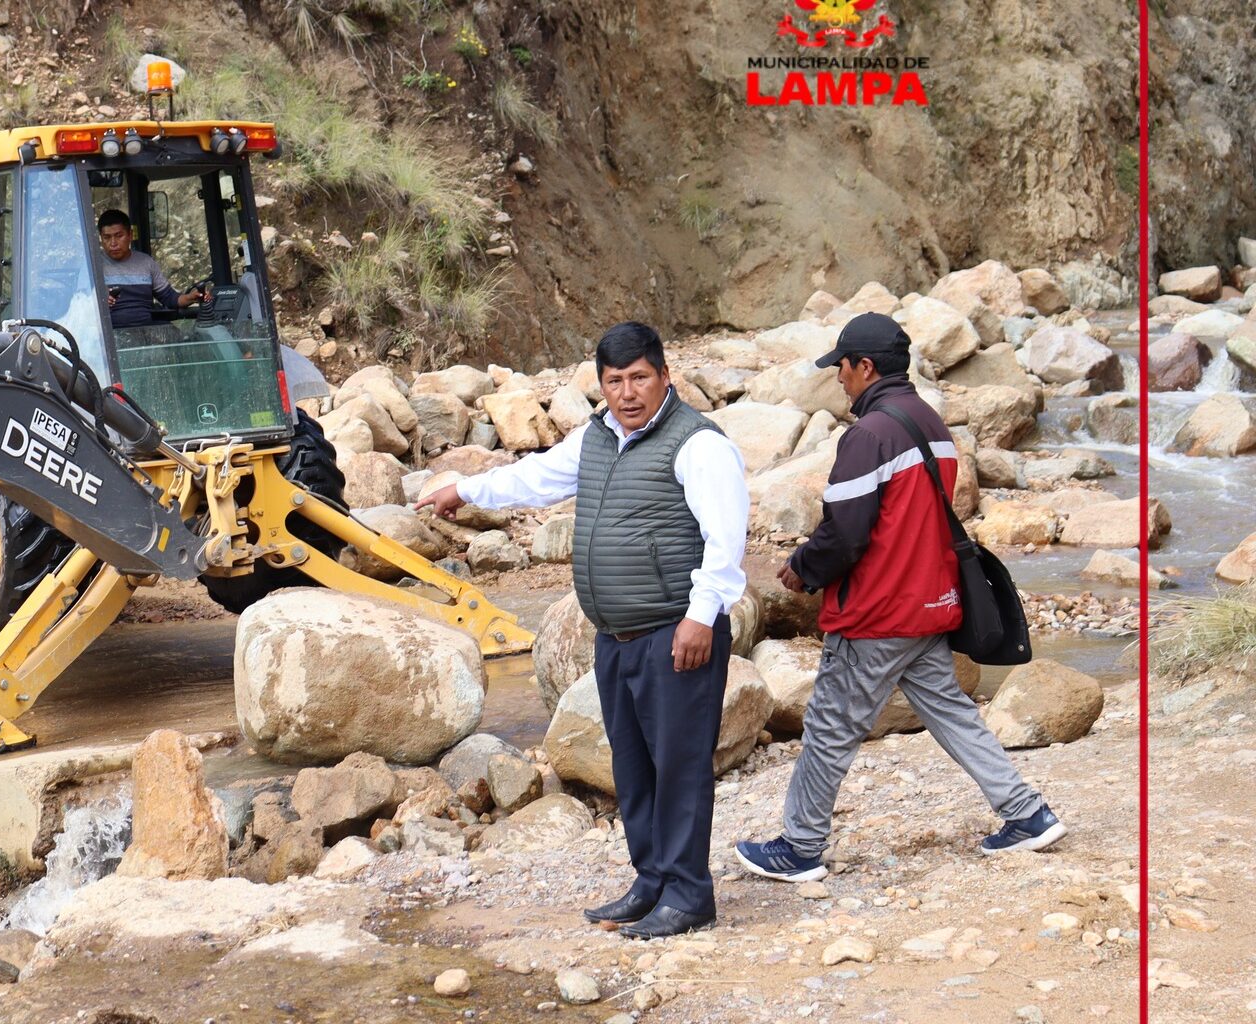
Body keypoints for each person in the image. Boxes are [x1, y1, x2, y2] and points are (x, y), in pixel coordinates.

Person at [417, 322, 749, 939]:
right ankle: (651, 882)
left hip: (676, 633)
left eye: (639, 378)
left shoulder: (699, 445)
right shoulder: (597, 438)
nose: (627, 393)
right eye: (614, 381)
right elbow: (535, 477)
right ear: (600, 385)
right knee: (634, 766)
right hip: (616, 638)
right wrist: (464, 488)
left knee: (679, 765)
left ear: (665, 376)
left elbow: (726, 541)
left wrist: (702, 617)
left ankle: (689, 894)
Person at [734, 312, 1066, 884]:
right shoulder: (929, 423)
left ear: (865, 366)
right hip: (929, 602)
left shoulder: (868, 436)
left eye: (841, 366)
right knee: (953, 713)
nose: (837, 378)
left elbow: (846, 533)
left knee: (830, 727)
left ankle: (801, 846)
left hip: (877, 614)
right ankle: (1027, 814)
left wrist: (801, 570)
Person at [98, 209, 208, 328]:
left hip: (146, 331)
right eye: (107, 237)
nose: (113, 243)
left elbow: (169, 298)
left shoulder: (146, 263)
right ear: (101, 238)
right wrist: (99, 301)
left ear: (130, 235)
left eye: (119, 236)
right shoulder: (92, 266)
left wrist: (190, 297)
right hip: (107, 335)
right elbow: (81, 304)